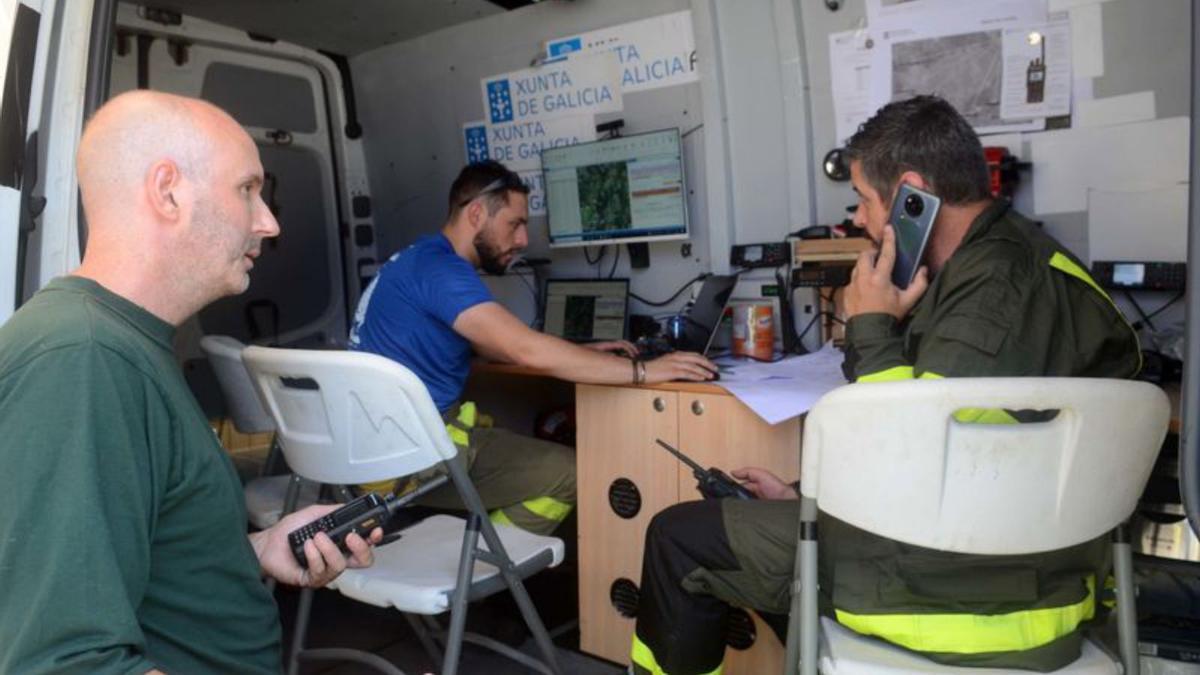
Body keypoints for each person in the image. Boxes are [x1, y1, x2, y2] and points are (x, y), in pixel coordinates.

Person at [630, 95, 1141, 674]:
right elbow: (963, 447)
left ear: (910, 195)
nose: (862, 222)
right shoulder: (1017, 263)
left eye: (865, 202)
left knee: (677, 538)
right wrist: (803, 496)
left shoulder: (995, 288)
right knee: (754, 535)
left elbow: (923, 454)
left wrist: (871, 321)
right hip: (1026, 575)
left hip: (964, 594)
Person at [0, 91, 381, 674]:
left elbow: (142, 562)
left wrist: (256, 549)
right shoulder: (84, 358)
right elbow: (67, 663)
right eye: (247, 190)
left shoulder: (124, 343)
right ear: (168, 191)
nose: (269, 221)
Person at [349, 159, 717, 535]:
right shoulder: (443, 271)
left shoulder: (416, 259)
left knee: (513, 441)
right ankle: (479, 573)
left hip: (370, 452)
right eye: (515, 224)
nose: (523, 240)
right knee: (571, 474)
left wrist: (585, 353)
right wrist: (645, 371)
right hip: (410, 459)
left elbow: (496, 346)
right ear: (476, 213)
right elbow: (525, 350)